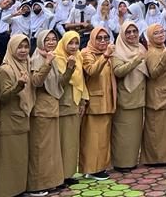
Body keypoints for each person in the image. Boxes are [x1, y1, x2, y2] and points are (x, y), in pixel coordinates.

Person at [0, 34, 34, 197]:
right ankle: (6, 192)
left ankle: (18, 190)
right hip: (9, 120)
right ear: (11, 49)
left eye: (26, 47)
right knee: (8, 159)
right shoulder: (6, 69)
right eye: (20, 47)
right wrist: (18, 86)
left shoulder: (26, 64)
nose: (23, 50)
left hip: (22, 118)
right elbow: (3, 97)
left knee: (20, 158)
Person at [27, 30, 65, 196]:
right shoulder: (38, 58)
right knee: (40, 149)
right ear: (40, 41)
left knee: (50, 149)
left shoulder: (51, 57)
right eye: (47, 39)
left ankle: (50, 182)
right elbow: (36, 81)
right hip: (41, 110)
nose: (51, 42)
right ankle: (37, 185)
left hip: (51, 108)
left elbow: (58, 83)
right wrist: (47, 63)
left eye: (53, 39)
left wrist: (69, 68)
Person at [80, 26, 116, 180]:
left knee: (102, 138)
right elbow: (91, 71)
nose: (103, 41)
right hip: (95, 102)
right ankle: (92, 168)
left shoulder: (107, 55)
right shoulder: (87, 53)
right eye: (99, 38)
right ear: (92, 39)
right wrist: (105, 56)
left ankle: (100, 167)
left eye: (105, 38)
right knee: (93, 139)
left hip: (107, 101)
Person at [111, 20, 148, 172]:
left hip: (140, 96)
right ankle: (121, 163)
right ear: (122, 34)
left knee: (134, 134)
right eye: (128, 32)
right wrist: (136, 60)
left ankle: (131, 161)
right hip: (126, 96)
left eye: (134, 31)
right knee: (123, 133)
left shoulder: (141, 47)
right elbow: (118, 71)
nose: (132, 35)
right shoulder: (117, 50)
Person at [141, 23, 166, 165]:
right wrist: (164, 59)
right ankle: (154, 158)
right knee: (156, 129)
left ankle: (164, 157)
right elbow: (153, 74)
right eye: (156, 33)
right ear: (150, 36)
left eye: (162, 32)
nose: (161, 34)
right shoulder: (151, 52)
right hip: (157, 97)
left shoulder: (164, 49)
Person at [54, 31, 86, 184]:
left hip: (75, 101)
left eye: (76, 43)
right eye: (70, 43)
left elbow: (81, 81)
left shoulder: (78, 55)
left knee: (72, 141)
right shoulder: (58, 57)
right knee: (62, 141)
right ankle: (59, 176)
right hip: (64, 103)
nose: (73, 47)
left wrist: (83, 102)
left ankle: (69, 173)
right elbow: (61, 82)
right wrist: (70, 67)